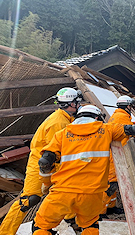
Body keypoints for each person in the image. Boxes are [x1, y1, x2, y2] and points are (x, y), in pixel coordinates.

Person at [32, 105, 135, 235]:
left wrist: (46, 183)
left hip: (62, 192)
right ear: (97, 118)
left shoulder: (62, 134)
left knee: (41, 226)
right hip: (92, 194)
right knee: (90, 225)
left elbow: (45, 161)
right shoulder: (107, 129)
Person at [0, 88, 82, 235]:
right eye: (77, 102)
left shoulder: (63, 118)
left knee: (64, 195)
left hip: (46, 164)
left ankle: (58, 225)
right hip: (41, 165)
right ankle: (5, 232)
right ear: (70, 104)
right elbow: (52, 154)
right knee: (29, 199)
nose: (79, 105)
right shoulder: (59, 123)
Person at [100, 95, 135, 217]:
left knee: (114, 182)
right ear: (128, 106)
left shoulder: (119, 116)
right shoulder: (122, 117)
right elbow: (127, 133)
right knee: (111, 184)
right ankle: (100, 211)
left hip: (114, 153)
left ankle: (111, 207)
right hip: (116, 155)